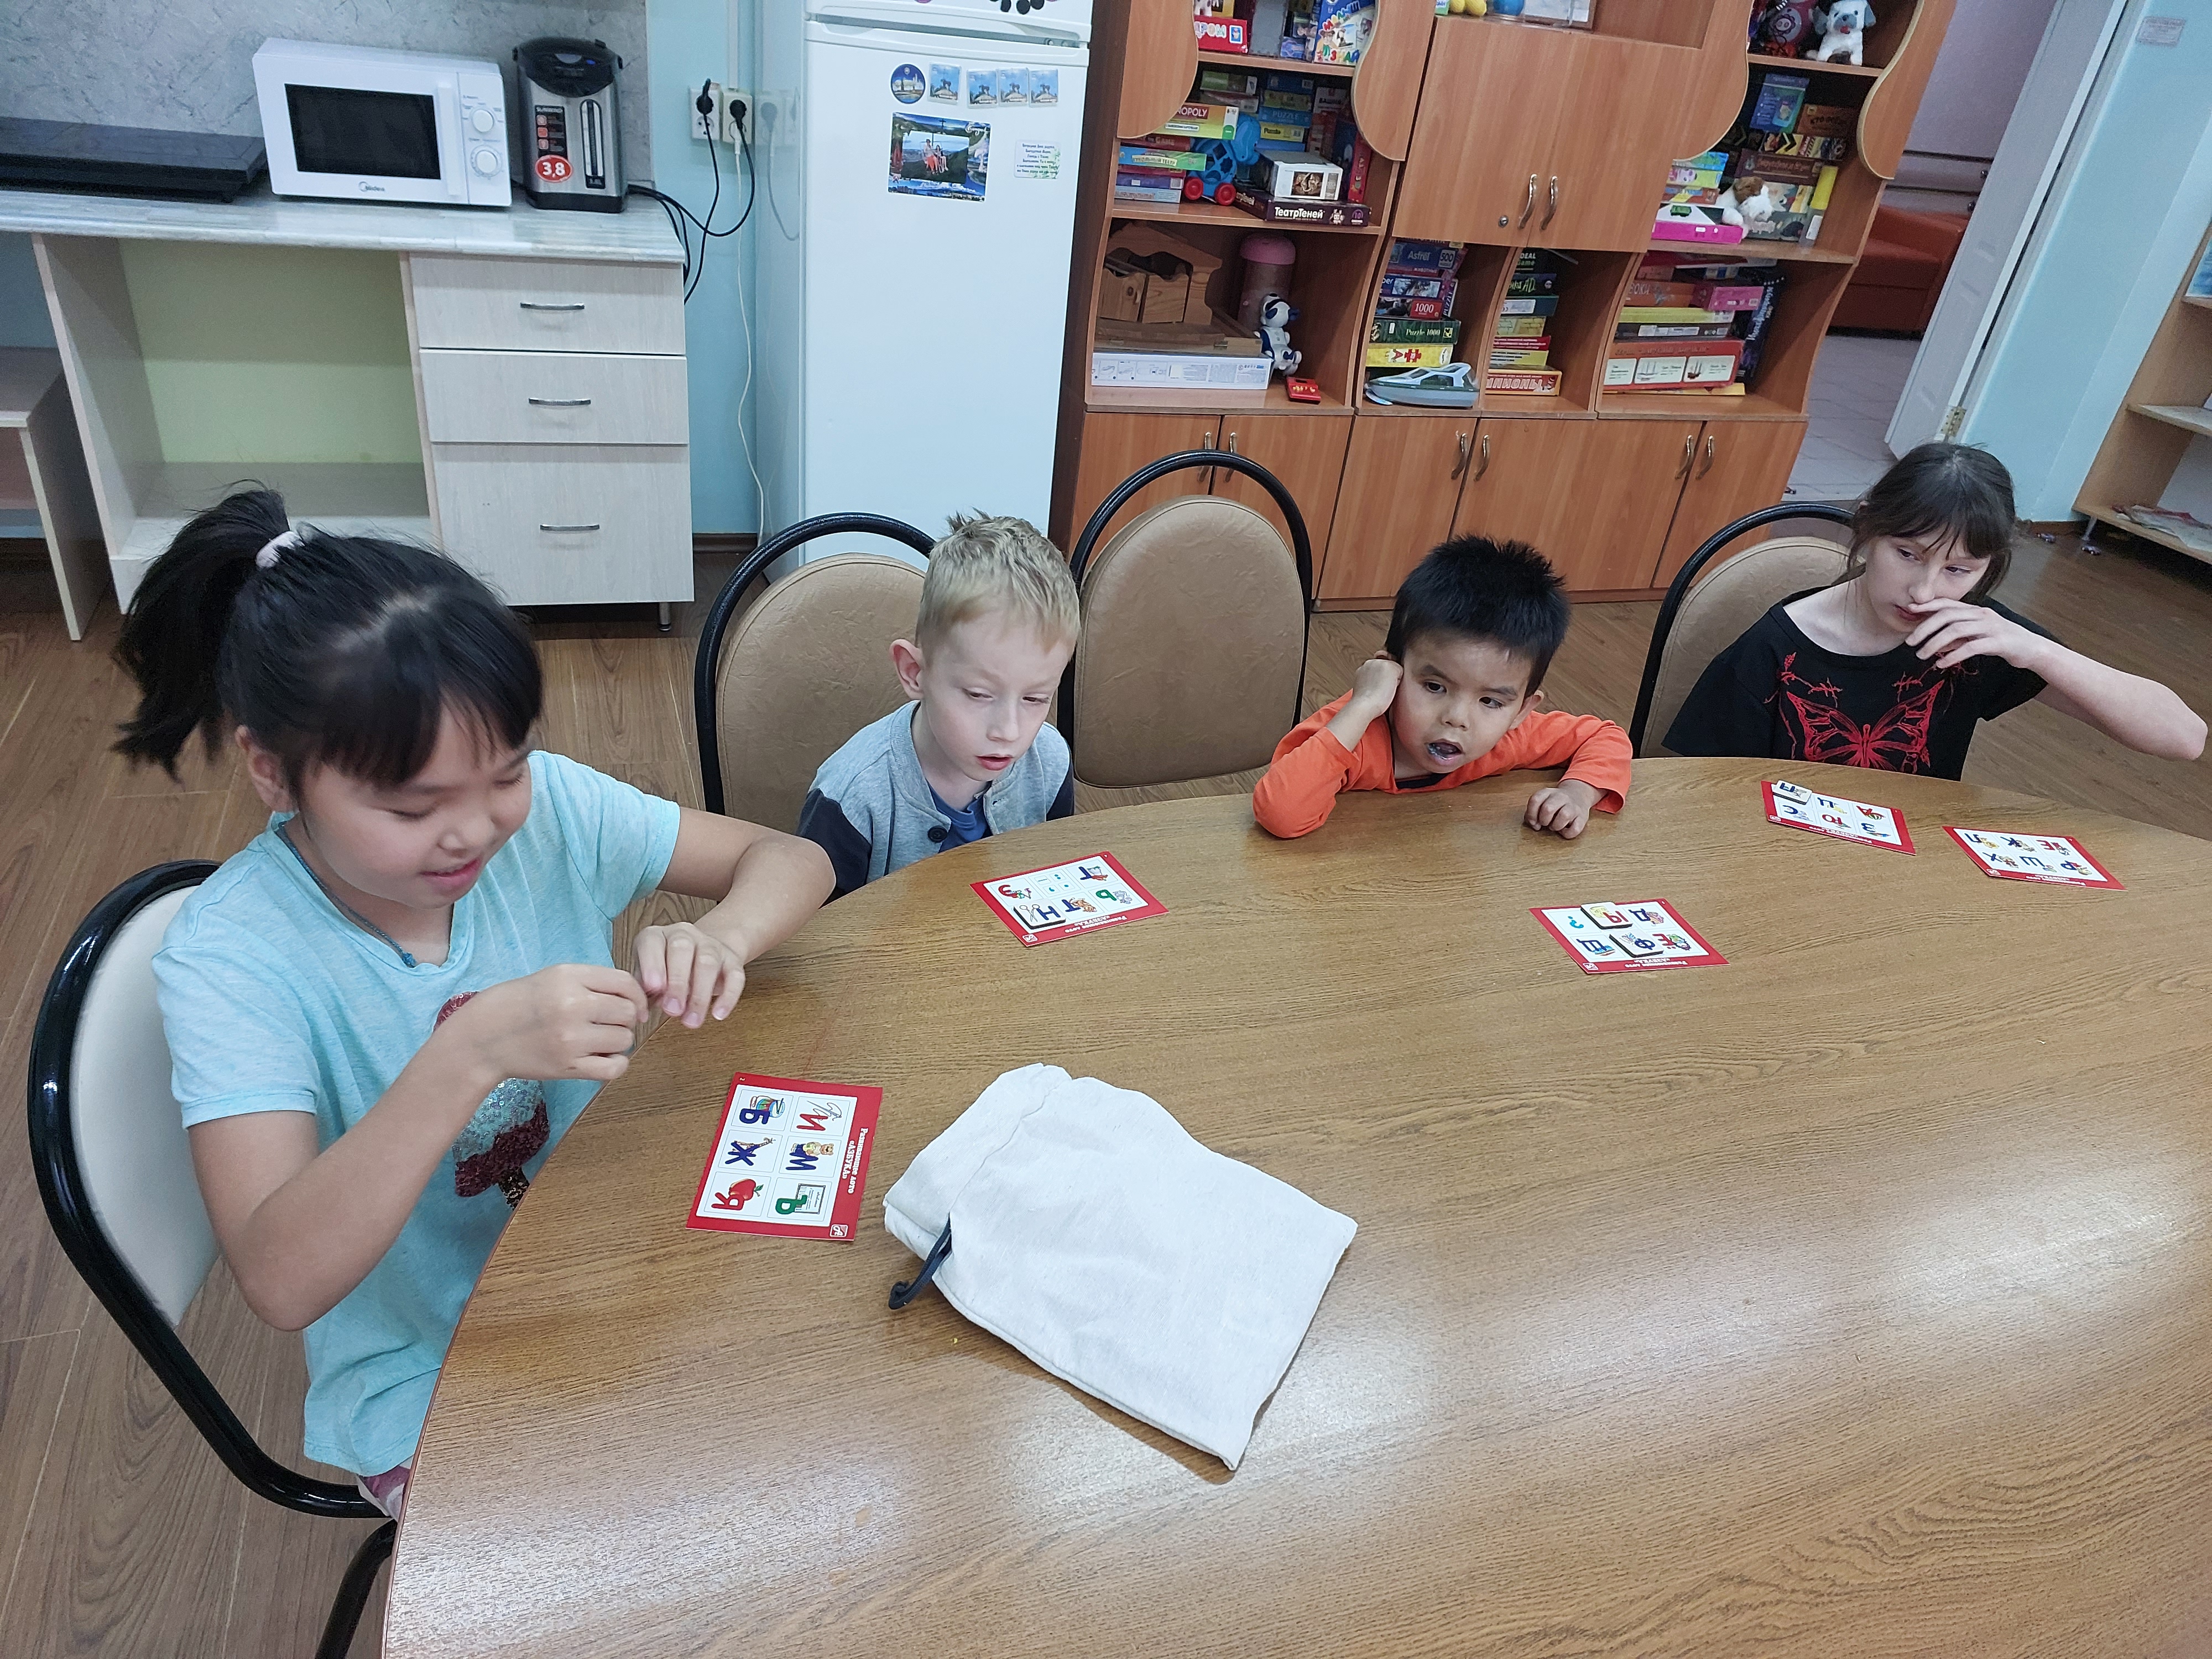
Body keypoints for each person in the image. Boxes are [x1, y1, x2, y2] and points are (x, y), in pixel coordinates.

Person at [117, 489, 833, 1518]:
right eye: (412, 805)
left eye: (505, 773)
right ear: (272, 772)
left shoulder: (546, 814)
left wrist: (720, 937)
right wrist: (471, 1052)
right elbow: (277, 1277)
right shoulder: (232, 956)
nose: (474, 830)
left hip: (620, 1255)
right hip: (428, 1369)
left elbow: (792, 860)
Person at [1665, 443, 2207, 775]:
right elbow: (1704, 791)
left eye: (1958, 570)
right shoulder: (1775, 648)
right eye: (1908, 555)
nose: (1924, 593)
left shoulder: (1974, 636)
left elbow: (2185, 739)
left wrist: (2037, 651)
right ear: (1868, 526)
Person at [1254, 535, 1632, 839]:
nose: (1457, 718)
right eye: (1435, 687)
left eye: (1490, 701)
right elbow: (1281, 812)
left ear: (1521, 711)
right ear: (1391, 673)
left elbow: (1604, 737)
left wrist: (1577, 793)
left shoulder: (1509, 736)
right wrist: (1364, 704)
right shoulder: (1352, 731)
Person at [800, 514, 1079, 896]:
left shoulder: (1050, 761)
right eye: (978, 694)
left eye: (1035, 698)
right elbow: (821, 925)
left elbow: (1052, 879)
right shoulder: (852, 797)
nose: (1008, 731)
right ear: (915, 672)